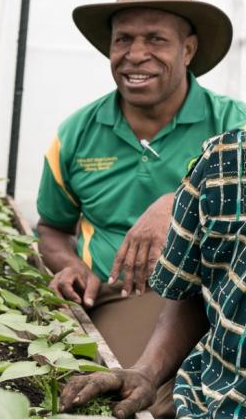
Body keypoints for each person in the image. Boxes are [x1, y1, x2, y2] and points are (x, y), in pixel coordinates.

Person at [36, 0, 246, 417]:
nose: (135, 55)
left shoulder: (234, 127)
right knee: (152, 399)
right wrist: (71, 265)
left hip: (217, 302)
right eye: (122, 40)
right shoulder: (78, 133)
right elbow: (52, 229)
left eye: (156, 39)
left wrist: (179, 202)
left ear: (188, 49)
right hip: (122, 299)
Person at [59, 127, 246, 418]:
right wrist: (146, 372)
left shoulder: (224, 118)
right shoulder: (225, 156)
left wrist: (171, 201)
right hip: (210, 401)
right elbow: (196, 287)